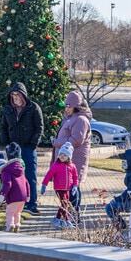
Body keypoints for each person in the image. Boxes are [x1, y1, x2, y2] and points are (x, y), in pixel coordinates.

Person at [0, 82, 44, 216]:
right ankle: (15, 202)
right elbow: (3, 127)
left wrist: (33, 144)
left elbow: (39, 127)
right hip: (13, 149)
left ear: (23, 95)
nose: (15, 98)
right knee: (13, 176)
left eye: (17, 95)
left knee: (30, 175)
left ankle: (32, 204)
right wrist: (7, 143)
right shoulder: (8, 109)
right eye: (13, 95)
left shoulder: (33, 108)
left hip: (28, 147)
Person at [51, 90, 91, 223]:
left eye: (69, 106)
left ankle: (74, 215)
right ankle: (69, 215)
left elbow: (76, 140)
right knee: (68, 188)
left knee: (74, 187)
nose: (66, 108)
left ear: (76, 106)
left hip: (75, 160)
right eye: (65, 105)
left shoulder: (80, 120)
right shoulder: (71, 118)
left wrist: (57, 142)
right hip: (67, 161)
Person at [41, 142, 79, 230]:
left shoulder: (72, 166)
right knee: (64, 204)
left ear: (69, 157)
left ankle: (57, 219)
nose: (62, 156)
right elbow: (49, 174)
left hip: (68, 188)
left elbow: (75, 177)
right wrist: (44, 184)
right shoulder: (56, 165)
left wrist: (75, 186)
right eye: (61, 154)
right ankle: (67, 221)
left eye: (64, 155)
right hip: (59, 188)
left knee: (64, 205)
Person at [0, 153, 30, 233]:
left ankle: (10, 225)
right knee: (17, 212)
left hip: (14, 196)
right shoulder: (20, 171)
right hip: (23, 196)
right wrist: (28, 195)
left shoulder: (5, 172)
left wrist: (2, 194)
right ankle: (17, 225)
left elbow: (7, 184)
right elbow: (27, 183)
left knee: (9, 212)